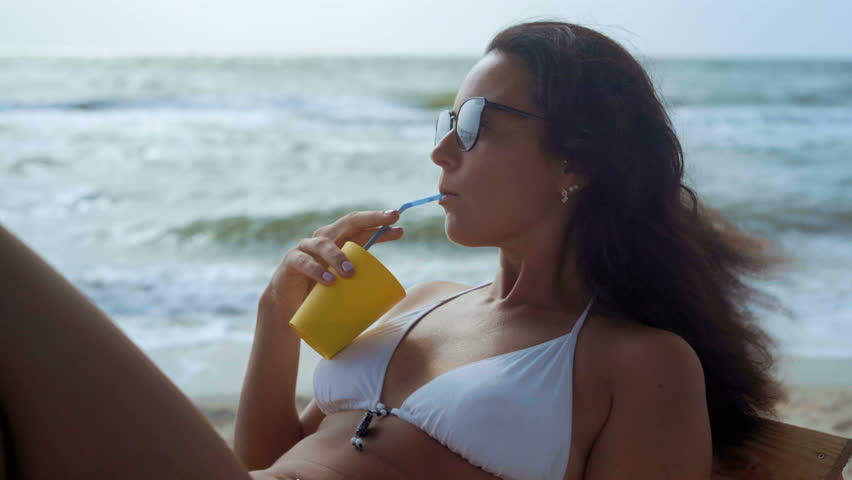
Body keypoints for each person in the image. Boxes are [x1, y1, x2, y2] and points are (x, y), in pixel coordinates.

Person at [0, 20, 790, 480]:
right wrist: (277, 318)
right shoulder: (417, 300)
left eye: (474, 124)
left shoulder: (639, 364)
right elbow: (267, 460)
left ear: (576, 162)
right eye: (442, 123)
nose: (442, 152)